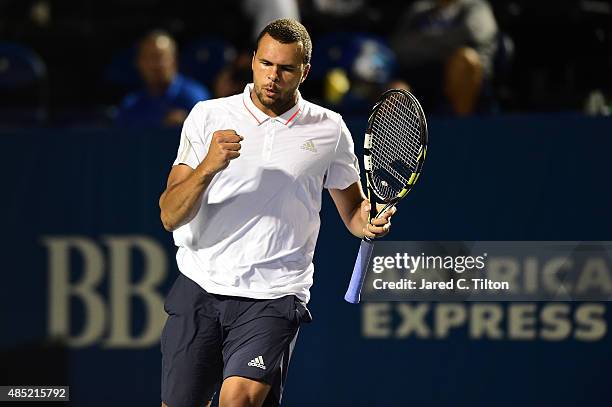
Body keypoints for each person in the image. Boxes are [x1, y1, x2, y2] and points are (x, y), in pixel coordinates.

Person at [158, 18, 395, 407]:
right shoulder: (207, 116)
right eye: (266, 64)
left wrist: (368, 221)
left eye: (285, 69)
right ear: (252, 61)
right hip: (200, 287)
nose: (273, 77)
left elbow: (353, 212)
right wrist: (207, 167)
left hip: (274, 295)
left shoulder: (329, 130)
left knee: (239, 401)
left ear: (304, 72)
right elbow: (170, 215)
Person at [390, 0, 498, 116]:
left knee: (464, 59)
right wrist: (444, 45)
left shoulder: (477, 7)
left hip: (466, 80)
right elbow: (398, 45)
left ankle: (461, 127)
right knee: (395, 91)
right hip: (422, 77)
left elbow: (471, 35)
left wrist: (423, 42)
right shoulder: (418, 10)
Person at [116, 30, 211, 127]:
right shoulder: (131, 105)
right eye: (147, 58)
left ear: (174, 60)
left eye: (159, 57)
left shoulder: (194, 98)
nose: (153, 65)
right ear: (138, 63)